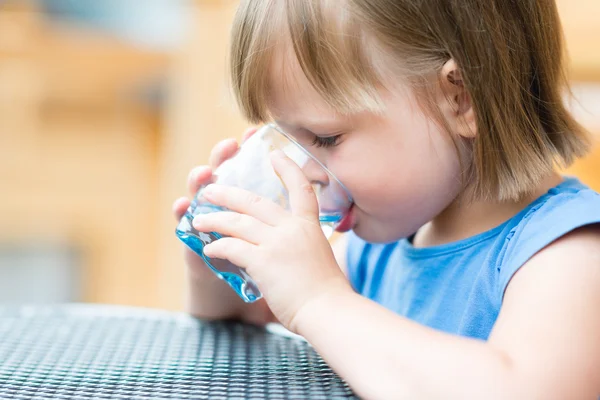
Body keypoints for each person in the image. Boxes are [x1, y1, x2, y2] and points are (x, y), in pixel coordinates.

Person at [172, 1, 600, 398]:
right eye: (285, 135)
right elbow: (259, 324)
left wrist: (320, 300)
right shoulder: (380, 241)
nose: (300, 169)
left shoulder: (569, 255)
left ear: (461, 97)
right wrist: (222, 269)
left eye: (325, 137)